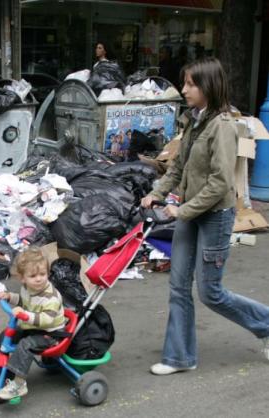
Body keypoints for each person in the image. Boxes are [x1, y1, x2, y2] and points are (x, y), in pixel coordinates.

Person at [141, 57, 269, 376]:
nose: (184, 90)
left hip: (215, 216)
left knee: (210, 292)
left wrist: (181, 209)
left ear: (208, 86)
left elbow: (220, 183)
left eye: (190, 84)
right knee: (178, 285)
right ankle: (180, 357)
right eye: (184, 83)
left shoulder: (222, 126)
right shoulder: (194, 121)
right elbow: (180, 167)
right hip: (190, 214)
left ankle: (266, 323)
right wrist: (156, 193)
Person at [0, 247, 66, 399]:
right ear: (23, 278)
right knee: (13, 331)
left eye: (42, 274)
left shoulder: (50, 297)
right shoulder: (28, 288)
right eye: (33, 276)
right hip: (35, 327)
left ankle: (19, 383)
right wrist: (9, 297)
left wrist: (25, 314)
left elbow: (47, 319)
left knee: (25, 344)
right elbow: (23, 300)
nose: (39, 278)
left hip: (51, 334)